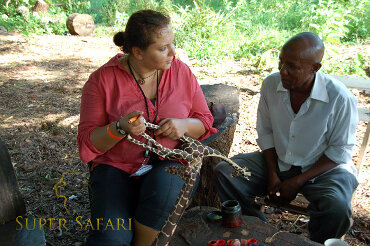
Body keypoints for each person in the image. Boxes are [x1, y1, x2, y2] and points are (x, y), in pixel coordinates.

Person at [78, 10, 217, 246]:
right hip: (116, 167)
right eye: (163, 48)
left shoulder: (181, 72)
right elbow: (88, 143)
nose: (173, 53)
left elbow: (204, 122)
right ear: (138, 52)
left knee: (164, 191)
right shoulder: (101, 81)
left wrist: (182, 125)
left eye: (172, 44)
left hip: (171, 162)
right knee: (110, 238)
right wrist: (119, 128)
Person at [213, 32, 359, 243]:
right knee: (226, 172)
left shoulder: (340, 98)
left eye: (292, 67)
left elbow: (340, 151)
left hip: (323, 169)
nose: (283, 71)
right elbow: (266, 133)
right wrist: (273, 173)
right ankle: (258, 231)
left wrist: (297, 181)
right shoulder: (271, 85)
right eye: (281, 62)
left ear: (315, 68)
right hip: (280, 161)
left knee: (337, 208)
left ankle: (315, 242)